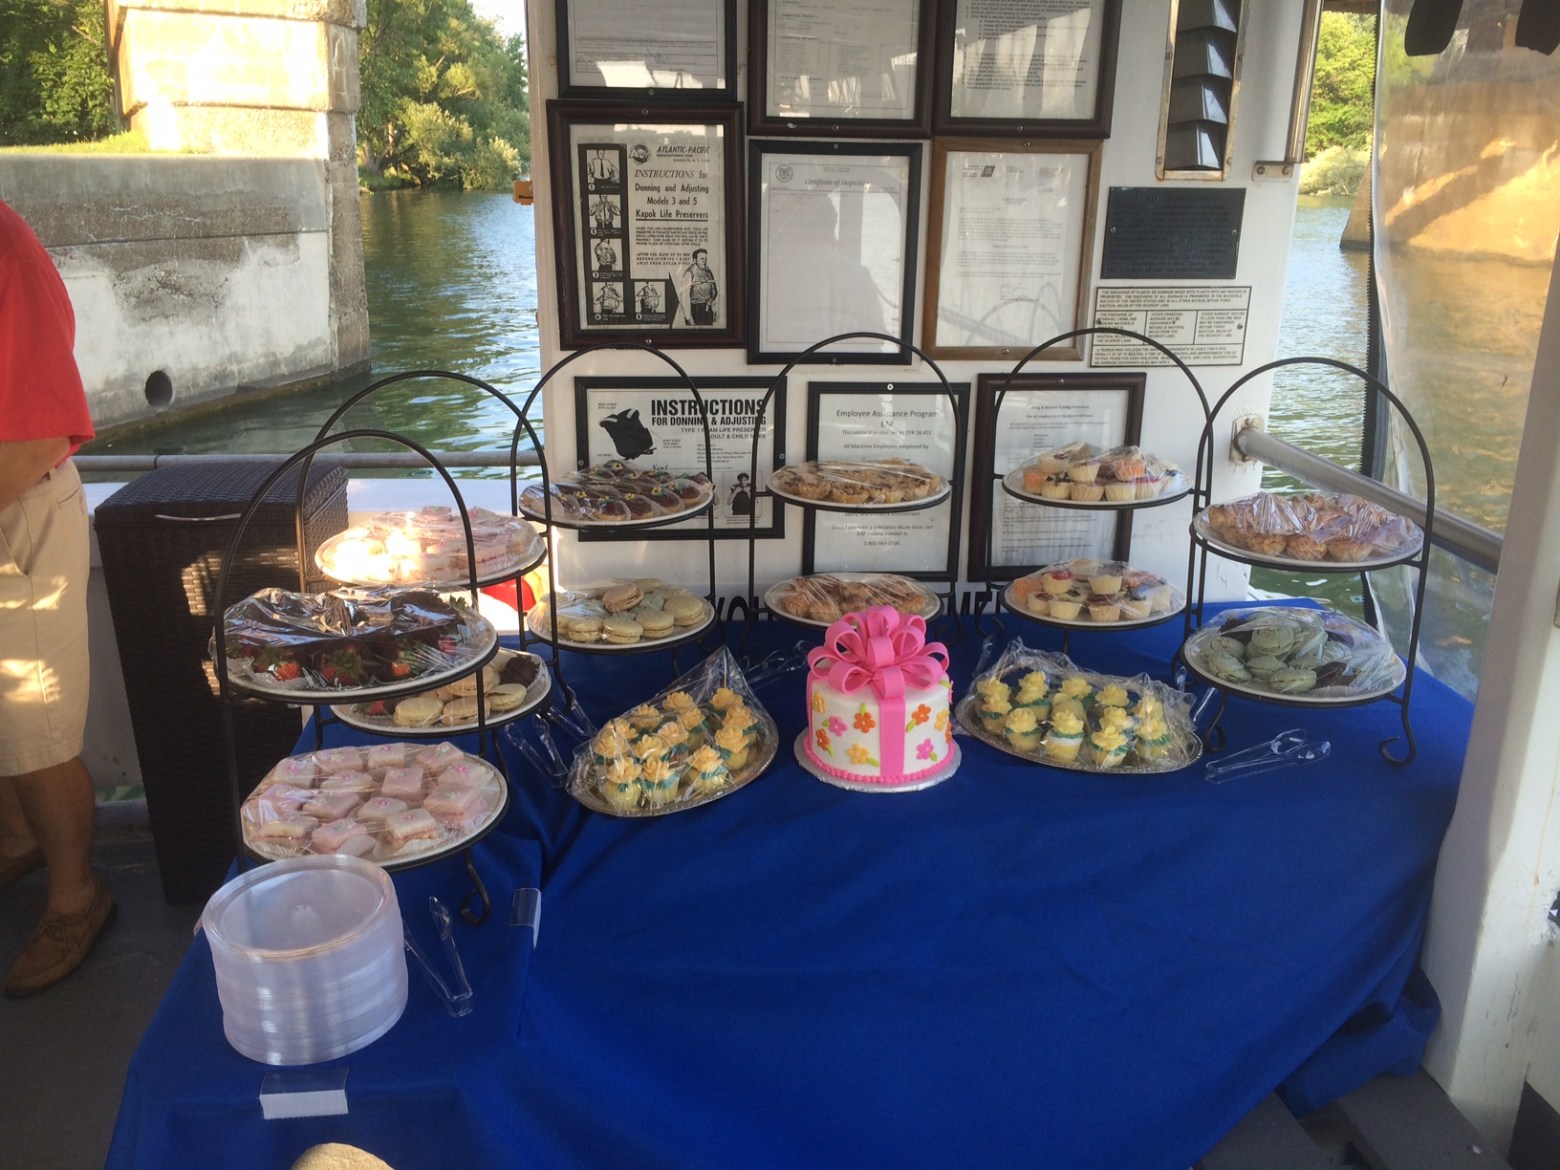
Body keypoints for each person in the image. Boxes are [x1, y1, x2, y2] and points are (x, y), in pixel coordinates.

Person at [0, 198, 113, 999]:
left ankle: (78, 894)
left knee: (35, 727)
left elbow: (39, 434)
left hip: (19, 516)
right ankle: (17, 840)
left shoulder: (8, 255)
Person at [679, 248, 718, 326]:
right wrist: (688, 317)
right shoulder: (690, 273)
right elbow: (685, 296)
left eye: (705, 259)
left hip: (708, 308)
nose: (704, 261)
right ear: (694, 260)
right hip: (697, 309)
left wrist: (713, 310)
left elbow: (713, 290)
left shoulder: (708, 271)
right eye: (702, 259)